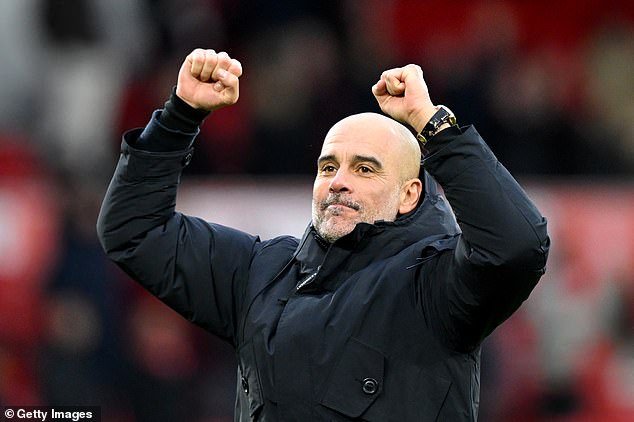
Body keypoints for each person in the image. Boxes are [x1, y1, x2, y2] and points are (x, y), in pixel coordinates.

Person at [97, 48, 550, 421]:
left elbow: (517, 245)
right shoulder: (260, 272)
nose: (338, 182)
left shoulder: (435, 284)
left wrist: (434, 125)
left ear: (409, 194)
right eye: (328, 167)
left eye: (365, 169)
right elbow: (133, 229)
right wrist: (179, 117)